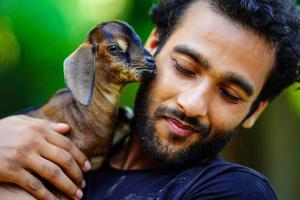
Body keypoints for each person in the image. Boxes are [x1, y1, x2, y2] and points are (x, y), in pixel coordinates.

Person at [0, 0, 300, 199]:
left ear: (255, 111)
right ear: (152, 45)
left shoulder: (233, 191)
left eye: (230, 94)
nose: (192, 104)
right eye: (184, 68)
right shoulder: (40, 134)